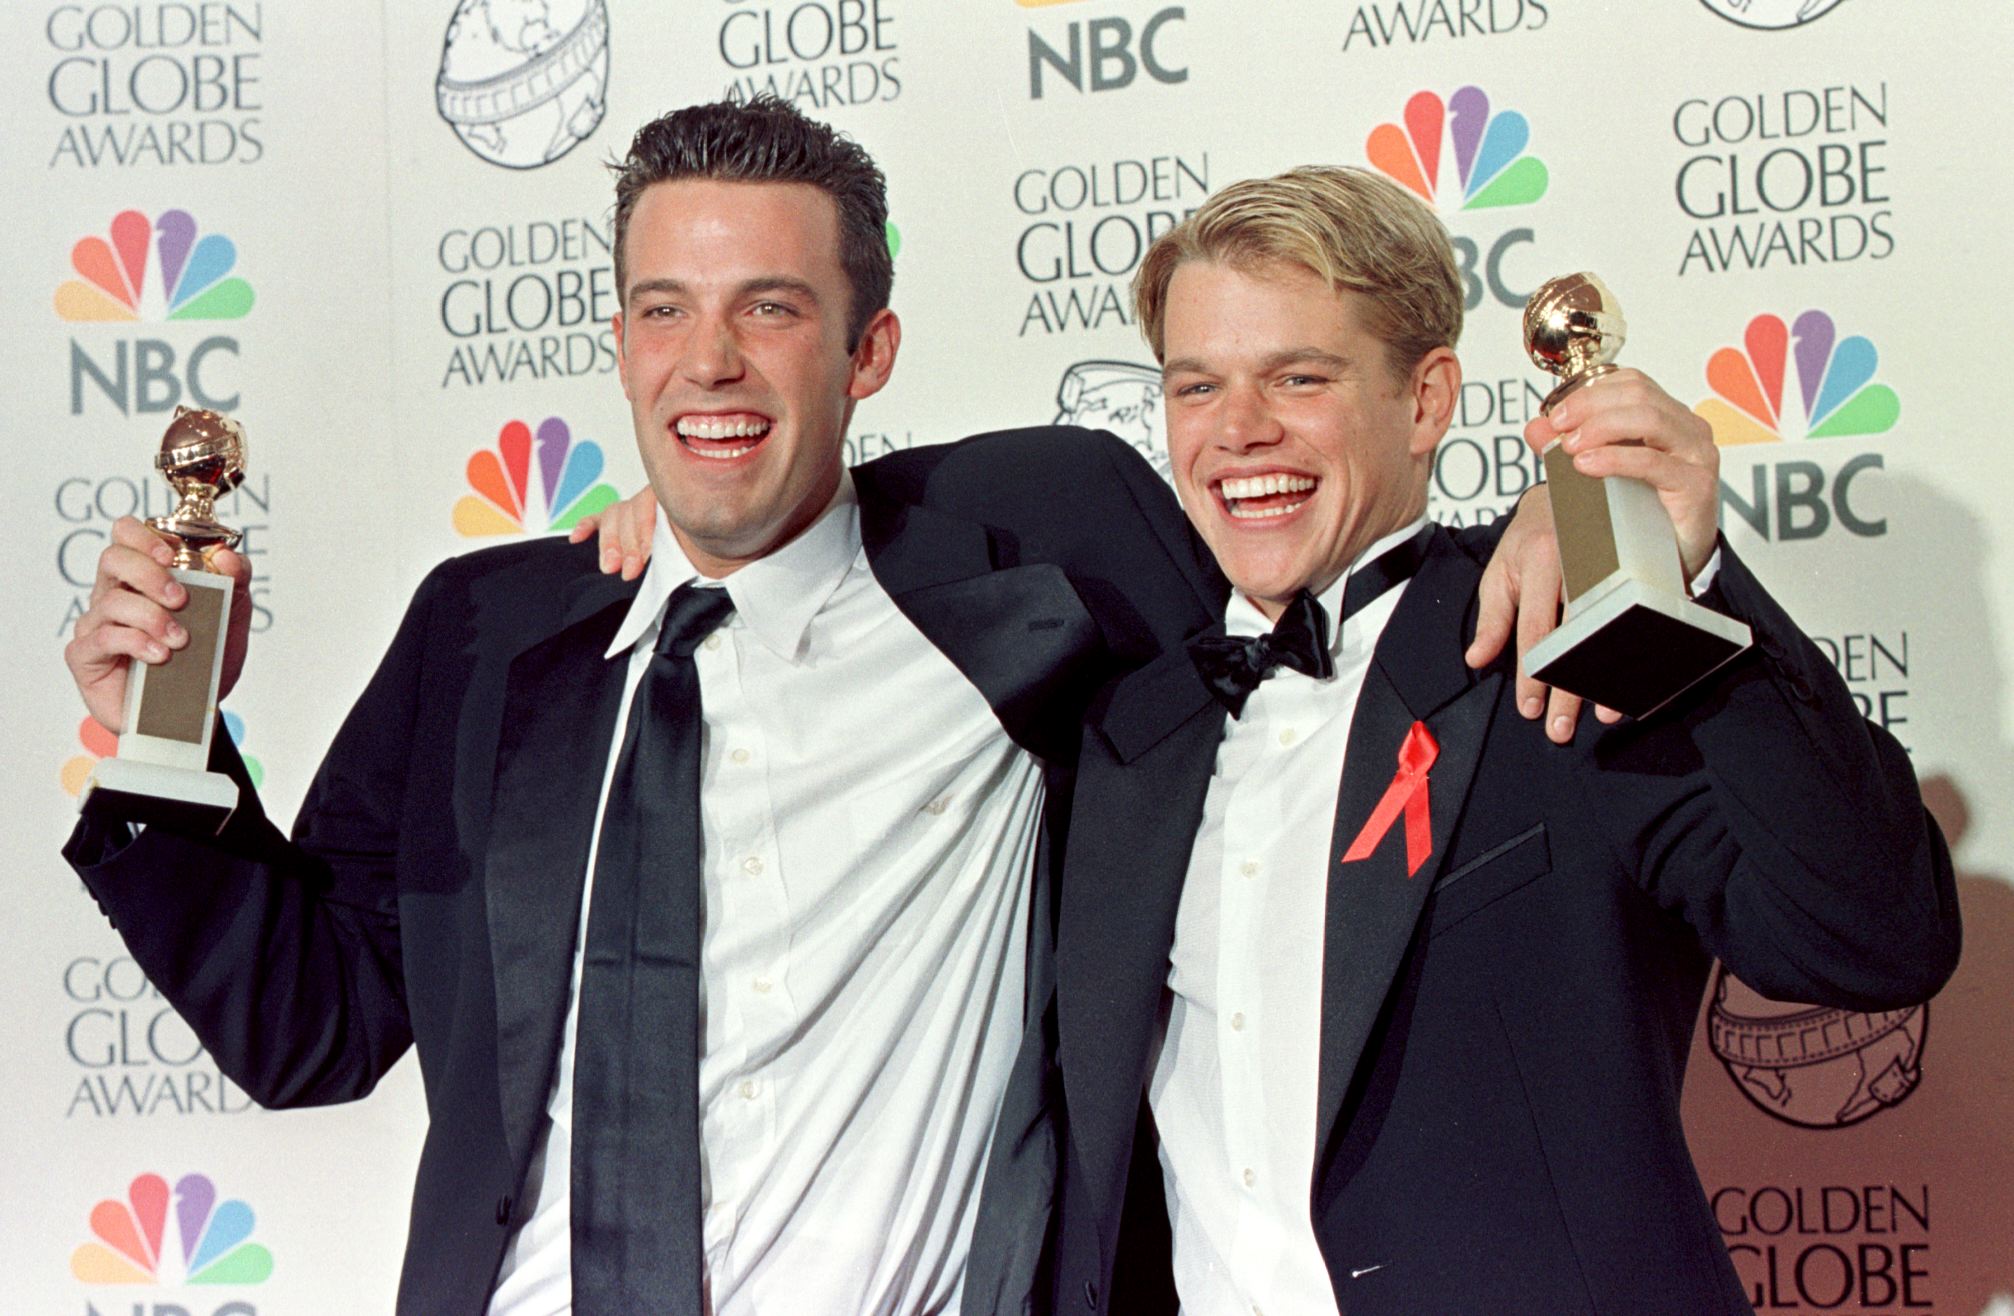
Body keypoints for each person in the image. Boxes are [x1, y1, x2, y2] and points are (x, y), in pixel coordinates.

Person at [61, 103, 1556, 1313]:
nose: (706, 361)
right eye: (664, 310)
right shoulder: (486, 627)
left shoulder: (1044, 553)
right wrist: (164, 742)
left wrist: (1561, 536)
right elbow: (309, 1028)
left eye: (768, 310)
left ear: (867, 353)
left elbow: (1321, 562)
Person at [1042, 166, 1962, 1316]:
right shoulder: (1129, 729)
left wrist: (1689, 581)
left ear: (1426, 400)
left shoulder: (1550, 637)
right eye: (1196, 387)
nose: (1237, 431)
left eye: (1299, 377)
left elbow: (1871, 937)